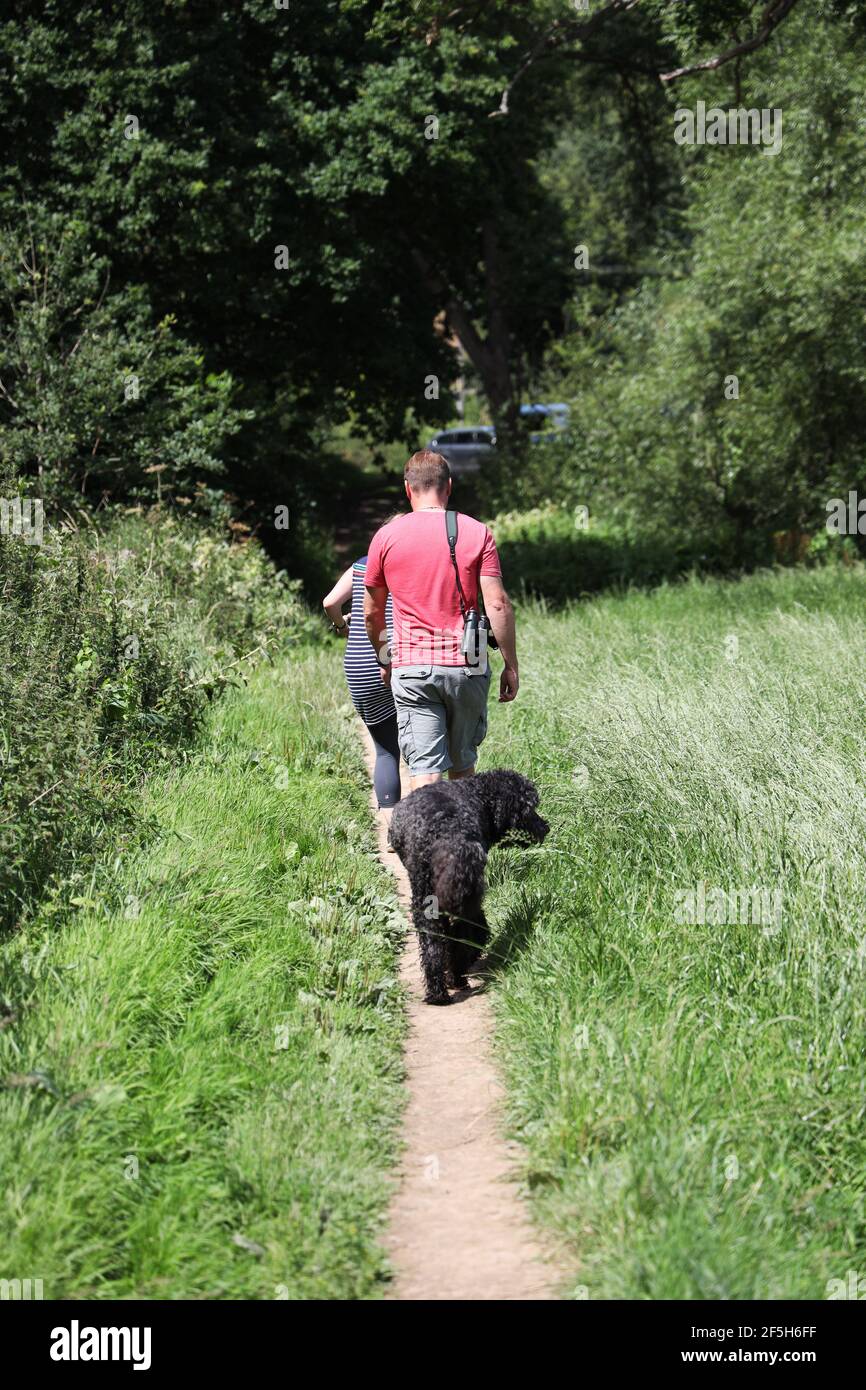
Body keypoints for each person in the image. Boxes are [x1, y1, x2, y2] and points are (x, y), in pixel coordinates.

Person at [363, 449, 518, 789]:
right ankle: (461, 839)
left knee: (425, 770)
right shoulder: (478, 532)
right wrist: (510, 665)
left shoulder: (385, 538)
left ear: (408, 489)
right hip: (470, 662)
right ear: (449, 486)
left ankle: (426, 841)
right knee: (463, 767)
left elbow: (372, 613)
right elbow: (498, 604)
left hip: (413, 666)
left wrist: (386, 659)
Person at [322, 555, 401, 809]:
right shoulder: (416, 557)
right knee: (424, 753)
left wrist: (340, 626)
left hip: (362, 664)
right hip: (404, 657)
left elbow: (330, 602)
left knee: (386, 751)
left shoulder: (364, 564)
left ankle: (393, 829)